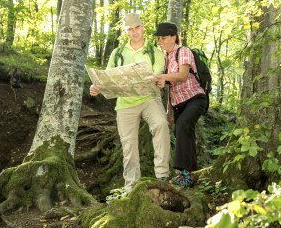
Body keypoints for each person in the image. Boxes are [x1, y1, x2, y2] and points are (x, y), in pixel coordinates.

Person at [89, 13, 170, 194]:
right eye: (130, 29)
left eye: (137, 28)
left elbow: (157, 74)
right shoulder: (118, 53)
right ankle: (131, 186)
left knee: (161, 124)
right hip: (125, 103)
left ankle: (163, 175)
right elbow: (107, 78)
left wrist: (156, 79)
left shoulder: (154, 51)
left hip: (149, 98)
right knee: (128, 144)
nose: (134, 32)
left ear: (143, 28)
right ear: (126, 32)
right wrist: (97, 88)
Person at [152, 22, 208, 187]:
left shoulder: (183, 52)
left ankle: (184, 173)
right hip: (178, 104)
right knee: (182, 130)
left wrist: (164, 77)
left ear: (173, 37)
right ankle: (191, 174)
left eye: (163, 38)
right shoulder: (166, 58)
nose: (160, 41)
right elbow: (171, 87)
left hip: (195, 98)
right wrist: (169, 111)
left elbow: (183, 75)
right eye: (158, 39)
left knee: (183, 125)